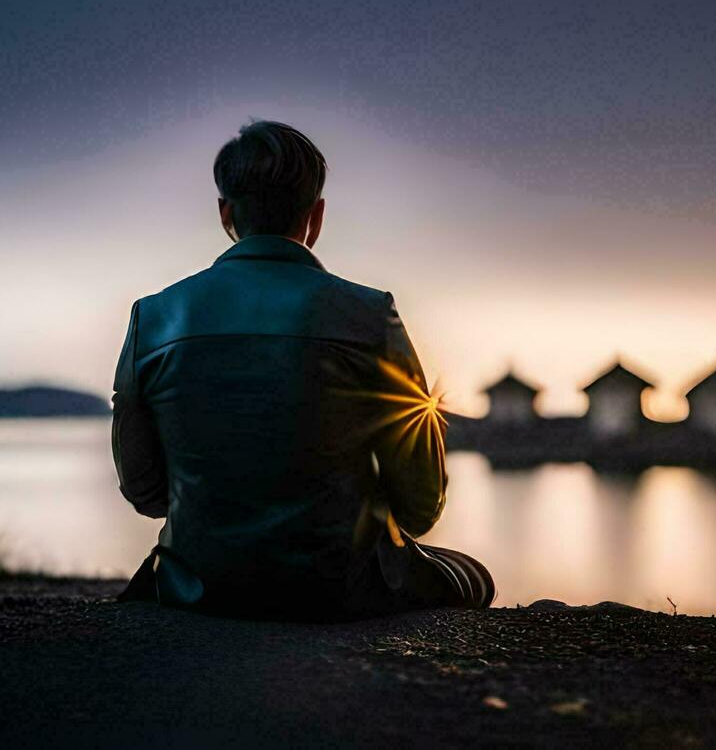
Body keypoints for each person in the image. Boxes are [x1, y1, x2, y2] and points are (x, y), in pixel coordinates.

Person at [111, 120, 493, 619]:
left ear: (226, 213)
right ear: (315, 217)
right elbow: (421, 505)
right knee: (472, 579)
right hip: (339, 592)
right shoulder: (370, 315)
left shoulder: (152, 317)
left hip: (200, 586)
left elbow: (145, 493)